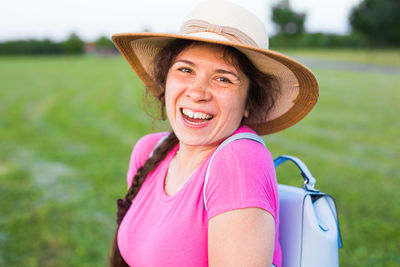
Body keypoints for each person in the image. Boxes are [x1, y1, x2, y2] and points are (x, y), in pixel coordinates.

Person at [109, 1, 318, 267]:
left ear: (249, 102)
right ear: (166, 80)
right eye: (185, 70)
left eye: (223, 78)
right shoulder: (149, 151)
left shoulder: (239, 160)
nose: (197, 92)